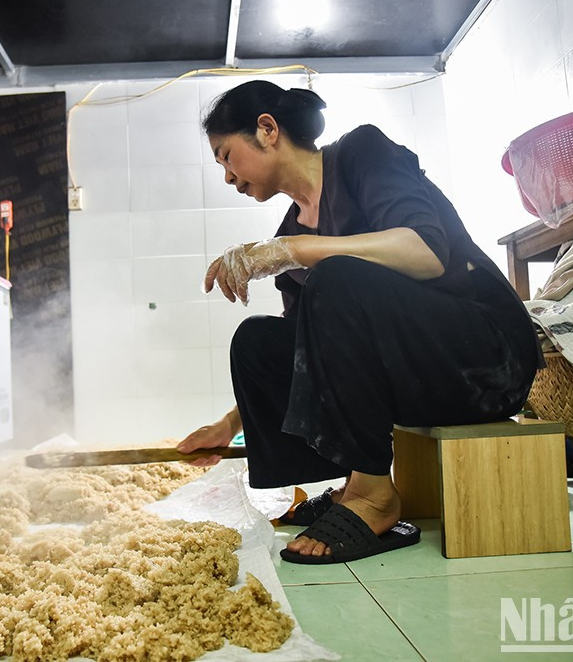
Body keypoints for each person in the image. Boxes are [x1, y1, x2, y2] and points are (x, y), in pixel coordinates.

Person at [176, 80, 542, 565]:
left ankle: (374, 495)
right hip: (417, 378)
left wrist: (299, 252)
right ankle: (351, 481)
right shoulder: (289, 234)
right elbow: (312, 353)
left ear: (267, 130)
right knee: (258, 339)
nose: (228, 177)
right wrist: (228, 425)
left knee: (337, 277)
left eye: (226, 156)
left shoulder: (360, 153)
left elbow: (427, 252)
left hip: (485, 358)